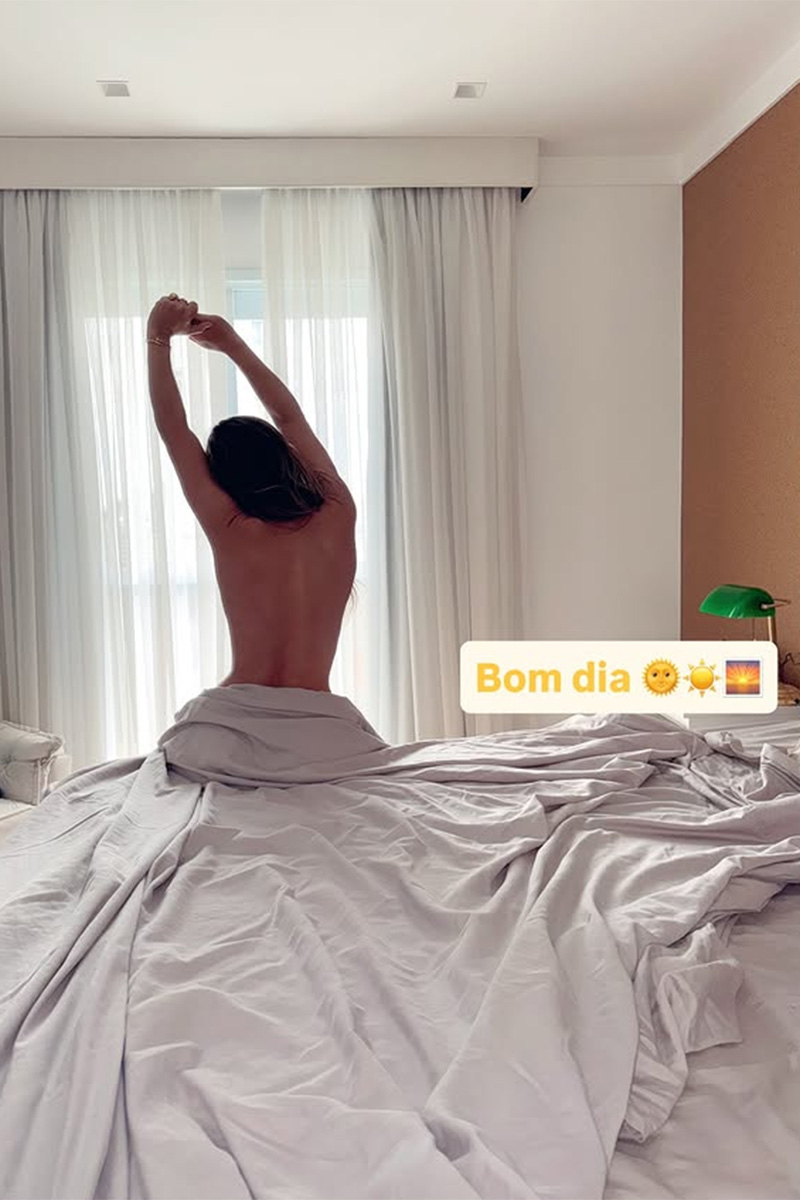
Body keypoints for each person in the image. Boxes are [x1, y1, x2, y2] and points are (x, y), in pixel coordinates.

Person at [146, 293, 356, 692]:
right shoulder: (337, 510)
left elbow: (173, 429)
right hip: (320, 713)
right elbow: (288, 417)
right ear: (285, 454)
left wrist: (158, 337)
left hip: (235, 710)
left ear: (222, 478)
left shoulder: (230, 525)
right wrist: (233, 346)